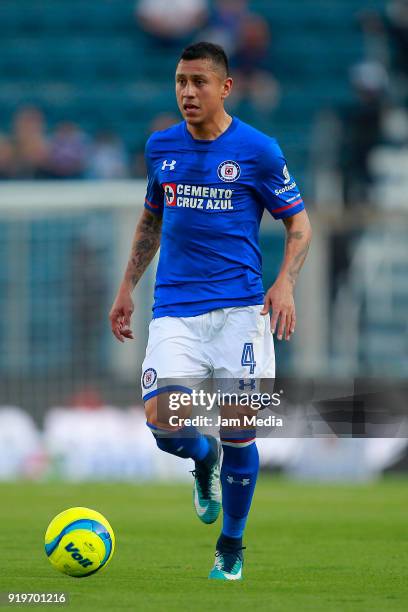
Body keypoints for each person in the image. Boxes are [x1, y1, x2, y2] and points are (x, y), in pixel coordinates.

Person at [109, 42, 312, 581]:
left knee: (241, 432)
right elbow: (151, 220)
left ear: (225, 87)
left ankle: (231, 544)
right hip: (175, 309)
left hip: (242, 313)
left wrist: (286, 284)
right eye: (180, 81)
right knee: (166, 425)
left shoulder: (259, 150)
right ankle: (203, 459)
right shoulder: (161, 147)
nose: (187, 92)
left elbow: (299, 225)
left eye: (199, 82)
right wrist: (126, 287)